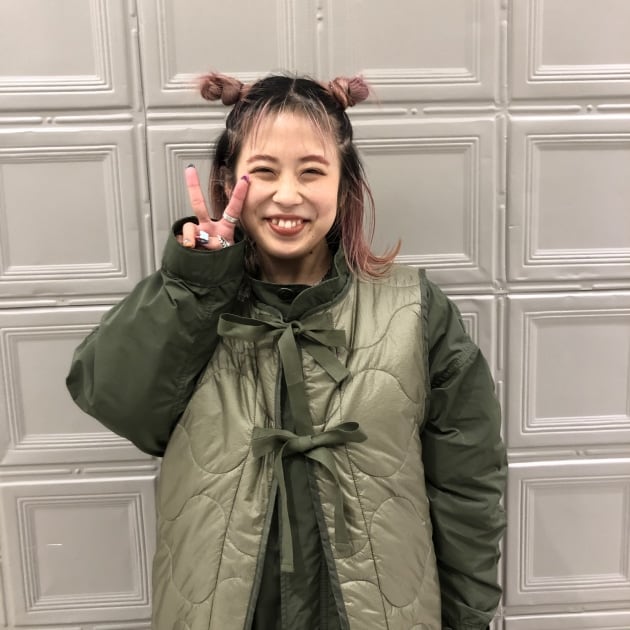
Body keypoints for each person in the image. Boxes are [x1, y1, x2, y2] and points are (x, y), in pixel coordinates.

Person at [66, 72, 506, 630]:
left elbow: (468, 485)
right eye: (265, 171)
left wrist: (468, 618)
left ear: (345, 183)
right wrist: (196, 283)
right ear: (229, 180)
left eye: (312, 171)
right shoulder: (190, 305)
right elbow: (114, 399)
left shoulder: (416, 310)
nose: (288, 195)